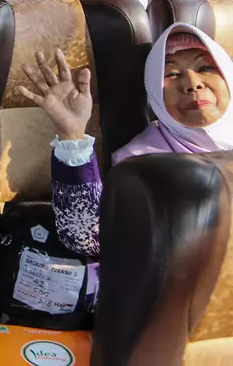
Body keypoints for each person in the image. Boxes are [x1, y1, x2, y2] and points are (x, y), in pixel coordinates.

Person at [18, 23, 233, 259]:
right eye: (171, 73)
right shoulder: (142, 162)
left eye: (204, 67)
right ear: (154, 93)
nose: (192, 83)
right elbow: (90, 239)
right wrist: (72, 133)